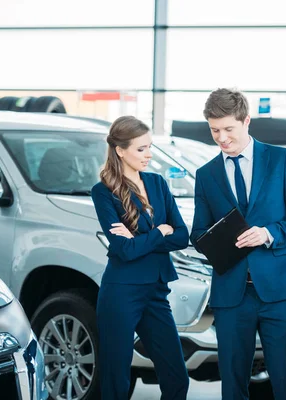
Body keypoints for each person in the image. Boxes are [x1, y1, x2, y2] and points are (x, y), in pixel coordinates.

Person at [190, 88, 286, 400]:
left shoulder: (281, 160)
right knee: (233, 386)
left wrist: (269, 232)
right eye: (214, 130)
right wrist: (219, 237)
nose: (221, 138)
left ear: (246, 121)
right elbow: (198, 233)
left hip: (278, 291)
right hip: (231, 295)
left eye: (228, 129)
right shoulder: (206, 175)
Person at [91, 116, 189, 400]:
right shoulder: (103, 192)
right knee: (116, 380)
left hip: (156, 290)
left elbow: (182, 236)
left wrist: (139, 239)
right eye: (141, 149)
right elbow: (124, 251)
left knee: (176, 377)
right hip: (121, 291)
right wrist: (159, 232)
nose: (148, 155)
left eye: (150, 148)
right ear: (121, 150)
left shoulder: (158, 183)